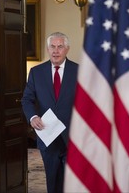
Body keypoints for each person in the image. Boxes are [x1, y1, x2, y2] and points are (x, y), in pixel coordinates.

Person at [21, 32, 78, 193]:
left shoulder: (79, 71)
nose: (56, 50)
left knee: (71, 183)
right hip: (48, 135)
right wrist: (32, 117)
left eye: (60, 47)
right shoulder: (36, 72)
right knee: (52, 181)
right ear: (47, 49)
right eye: (52, 46)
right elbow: (27, 99)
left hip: (72, 137)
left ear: (67, 49)